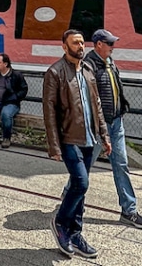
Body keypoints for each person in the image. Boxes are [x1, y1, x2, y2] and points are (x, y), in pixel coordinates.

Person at [44, 29, 110, 259]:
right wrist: (53, 145)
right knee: (81, 183)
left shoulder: (88, 70)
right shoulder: (55, 72)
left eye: (82, 42)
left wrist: (105, 135)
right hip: (69, 138)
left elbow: (97, 105)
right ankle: (60, 222)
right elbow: (49, 111)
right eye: (75, 43)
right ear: (64, 46)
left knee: (80, 187)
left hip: (90, 138)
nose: (81, 46)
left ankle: (75, 233)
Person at [82, 29, 142, 229]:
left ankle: (129, 210)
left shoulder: (110, 63)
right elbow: (88, 99)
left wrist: (122, 107)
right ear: (98, 45)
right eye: (109, 43)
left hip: (116, 122)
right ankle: (72, 195)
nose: (113, 46)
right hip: (98, 126)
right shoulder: (88, 66)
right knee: (85, 166)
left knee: (121, 164)